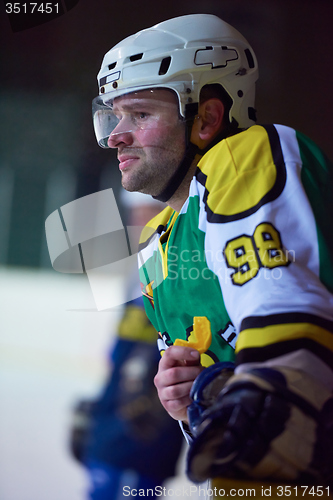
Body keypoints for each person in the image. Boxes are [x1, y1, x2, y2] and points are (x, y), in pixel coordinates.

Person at [92, 14, 333, 488]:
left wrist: (269, 391)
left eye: (140, 114)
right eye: (113, 116)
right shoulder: (156, 245)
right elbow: (215, 411)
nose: (116, 134)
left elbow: (284, 307)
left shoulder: (244, 154)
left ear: (207, 117)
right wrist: (187, 398)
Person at [69, 190, 184, 500]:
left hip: (149, 425)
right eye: (135, 215)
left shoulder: (183, 269)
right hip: (113, 419)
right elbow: (122, 349)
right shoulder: (138, 270)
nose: (140, 222)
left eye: (148, 211)